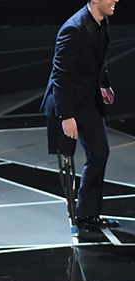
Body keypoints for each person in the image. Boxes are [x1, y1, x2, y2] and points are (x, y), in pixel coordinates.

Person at [41, 0, 119, 232]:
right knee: (67, 161)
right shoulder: (73, 28)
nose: (115, 0)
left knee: (100, 151)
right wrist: (66, 115)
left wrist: (104, 85)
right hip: (67, 104)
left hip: (88, 100)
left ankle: (88, 213)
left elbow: (98, 59)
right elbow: (59, 75)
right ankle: (74, 215)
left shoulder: (102, 22)